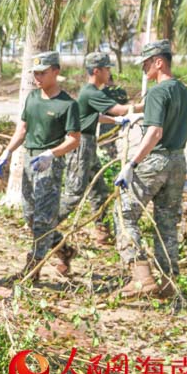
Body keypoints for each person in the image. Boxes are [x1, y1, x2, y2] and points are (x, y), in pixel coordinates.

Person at [112, 40, 187, 299]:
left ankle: (140, 274)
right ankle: (169, 281)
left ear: (159, 62)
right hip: (178, 162)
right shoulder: (183, 90)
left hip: (156, 161)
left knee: (124, 212)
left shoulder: (158, 92)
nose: (144, 68)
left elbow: (156, 132)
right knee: (167, 221)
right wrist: (138, 117)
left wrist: (132, 163)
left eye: (146, 63)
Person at [0, 51, 81, 281]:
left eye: (43, 73)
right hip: (29, 160)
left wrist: (51, 154)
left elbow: (74, 138)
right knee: (30, 215)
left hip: (49, 164)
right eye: (35, 74)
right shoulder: (32, 98)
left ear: (56, 71)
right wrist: (7, 151)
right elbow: (22, 129)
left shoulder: (67, 104)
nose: (38, 78)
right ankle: (63, 249)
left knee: (43, 220)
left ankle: (32, 271)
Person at [58, 52, 143, 244]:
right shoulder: (92, 92)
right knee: (74, 194)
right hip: (80, 145)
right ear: (97, 71)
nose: (109, 72)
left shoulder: (91, 92)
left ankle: (102, 231)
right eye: (107, 69)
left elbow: (91, 116)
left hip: (88, 143)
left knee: (99, 190)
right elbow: (121, 108)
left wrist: (115, 121)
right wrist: (148, 105)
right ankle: (46, 225)